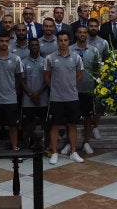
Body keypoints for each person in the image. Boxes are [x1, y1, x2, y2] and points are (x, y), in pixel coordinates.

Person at [45, 32, 85, 165]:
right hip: (56, 98)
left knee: (72, 125)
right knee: (55, 125)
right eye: (60, 40)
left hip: (72, 97)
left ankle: (73, 152)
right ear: (57, 42)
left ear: (69, 42)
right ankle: (55, 152)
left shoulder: (76, 57)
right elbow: (47, 77)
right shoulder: (50, 58)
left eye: (65, 40)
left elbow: (80, 75)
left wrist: (71, 86)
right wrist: (56, 88)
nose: (63, 42)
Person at [65, 26, 101, 155]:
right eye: (80, 32)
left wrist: (97, 86)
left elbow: (97, 69)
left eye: (84, 32)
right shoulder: (69, 49)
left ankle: (86, 142)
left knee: (87, 118)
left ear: (87, 34)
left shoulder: (94, 50)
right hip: (72, 90)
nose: (82, 34)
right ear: (76, 34)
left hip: (88, 89)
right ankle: (69, 143)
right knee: (70, 118)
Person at [20, 38, 49, 150]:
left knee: (46, 125)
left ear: (39, 47)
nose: (34, 47)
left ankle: (46, 148)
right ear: (28, 47)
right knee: (27, 126)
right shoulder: (23, 62)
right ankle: (26, 148)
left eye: (36, 45)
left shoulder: (45, 61)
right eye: (32, 45)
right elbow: (21, 80)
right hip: (28, 100)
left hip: (43, 99)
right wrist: (31, 94)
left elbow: (48, 79)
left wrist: (38, 94)